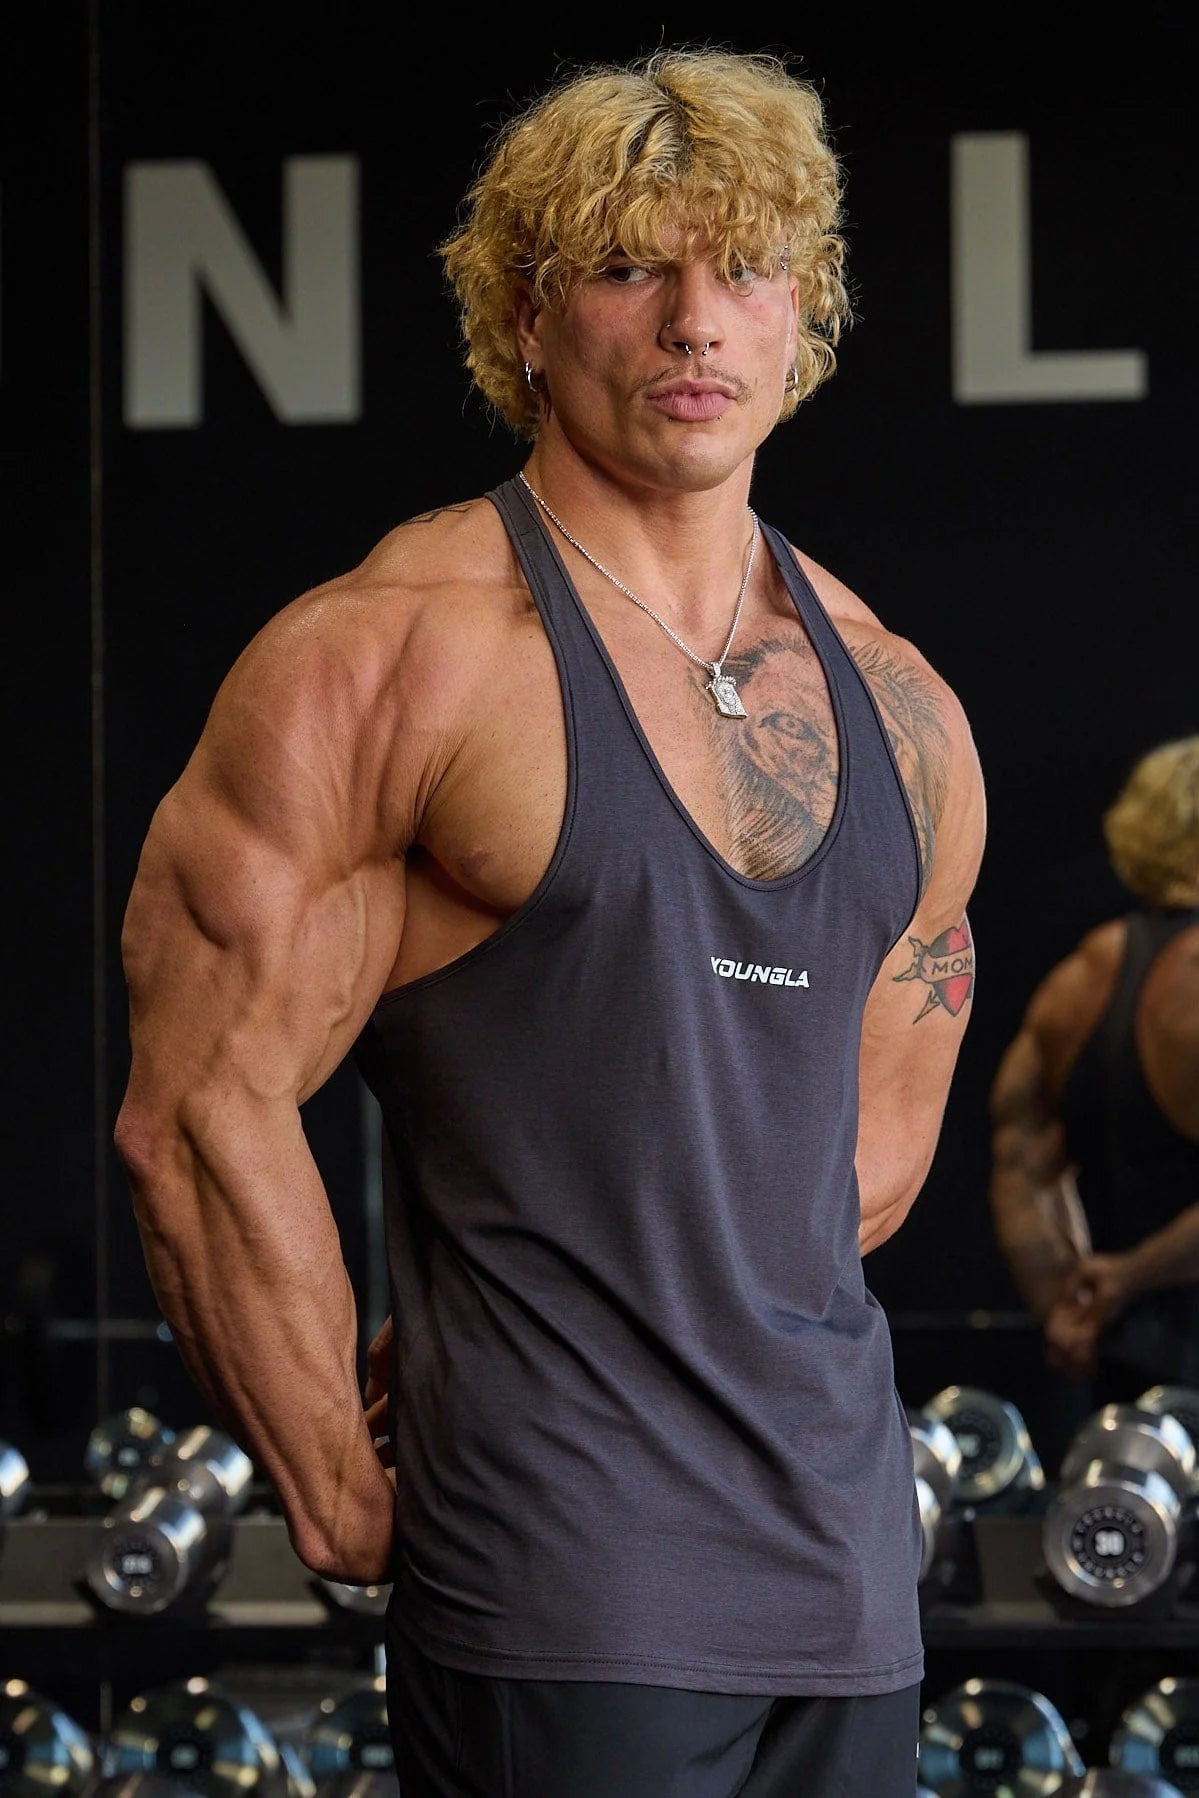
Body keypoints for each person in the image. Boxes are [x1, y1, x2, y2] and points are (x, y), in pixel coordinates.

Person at [114, 45, 985, 1798]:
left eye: (745, 269)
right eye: (626, 267)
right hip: (557, 1586)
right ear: (523, 317)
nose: (693, 321)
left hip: (843, 1583)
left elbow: (852, 1172)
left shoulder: (900, 705)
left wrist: (588, 1242)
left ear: (801, 318)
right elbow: (199, 1107)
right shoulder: (394, 655)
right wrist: (333, 1479)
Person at [989, 736, 1199, 1414]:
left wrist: (1066, 1304)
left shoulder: (1078, 979)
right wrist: (1128, 1278)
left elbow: (1021, 1163)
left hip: (1117, 1366)